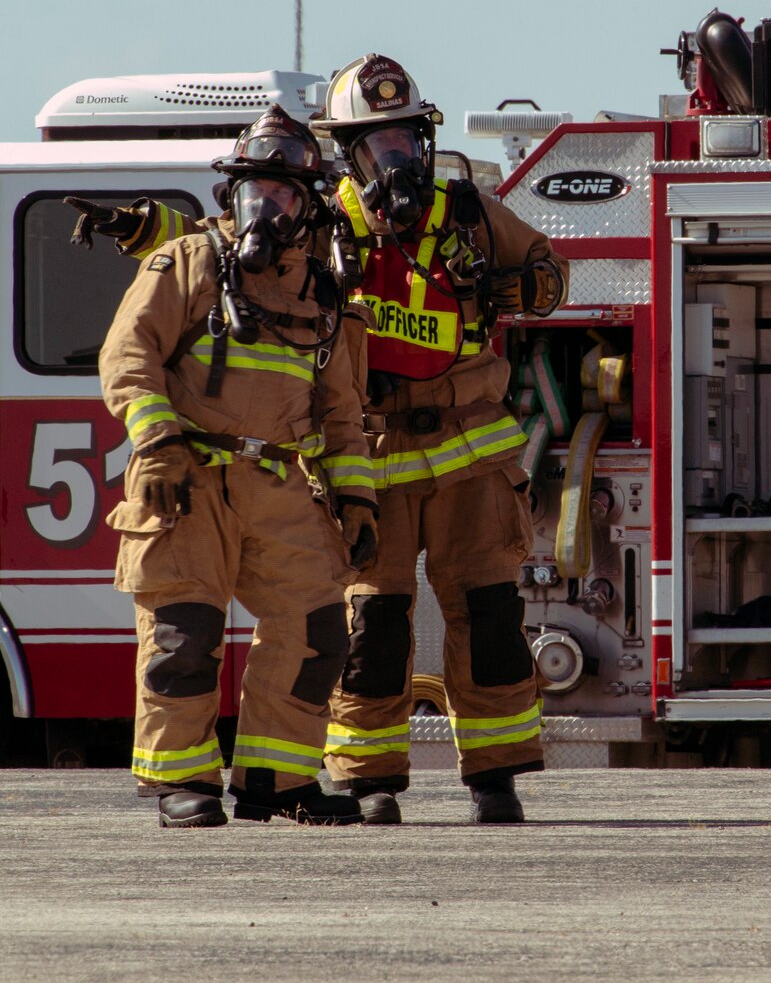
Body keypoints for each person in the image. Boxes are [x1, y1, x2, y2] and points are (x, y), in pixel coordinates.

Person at [98, 105, 379, 828]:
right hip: (186, 479)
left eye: (283, 193)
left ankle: (277, 780)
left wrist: (357, 500)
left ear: (308, 206)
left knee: (318, 627)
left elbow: (342, 413)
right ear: (232, 195)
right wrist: (156, 442)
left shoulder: (321, 295)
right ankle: (179, 781)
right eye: (255, 189)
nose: (267, 206)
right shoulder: (189, 262)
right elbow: (129, 356)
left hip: (280, 483)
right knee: (183, 634)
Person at [313, 55, 569, 824]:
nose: (391, 159)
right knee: (374, 626)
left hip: (471, 454)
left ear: (421, 140)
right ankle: (371, 778)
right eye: (373, 144)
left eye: (401, 140)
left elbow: (549, 275)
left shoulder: (466, 214)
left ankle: (495, 778)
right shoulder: (328, 229)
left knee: (490, 613)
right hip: (373, 452)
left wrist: (513, 287)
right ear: (347, 154)